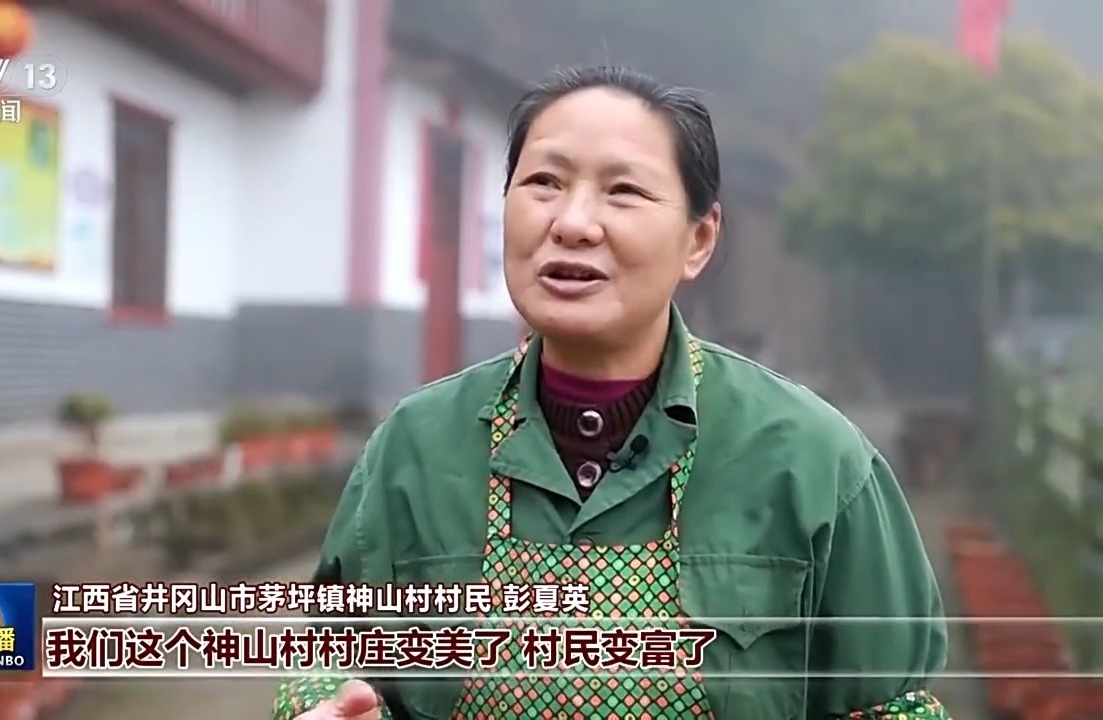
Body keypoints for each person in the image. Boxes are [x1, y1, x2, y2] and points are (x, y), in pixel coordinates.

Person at [275, 66, 952, 719]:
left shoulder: (817, 462)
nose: (573, 222)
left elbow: (893, 707)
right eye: (544, 182)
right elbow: (327, 662)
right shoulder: (413, 449)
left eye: (623, 191)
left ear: (699, 239)